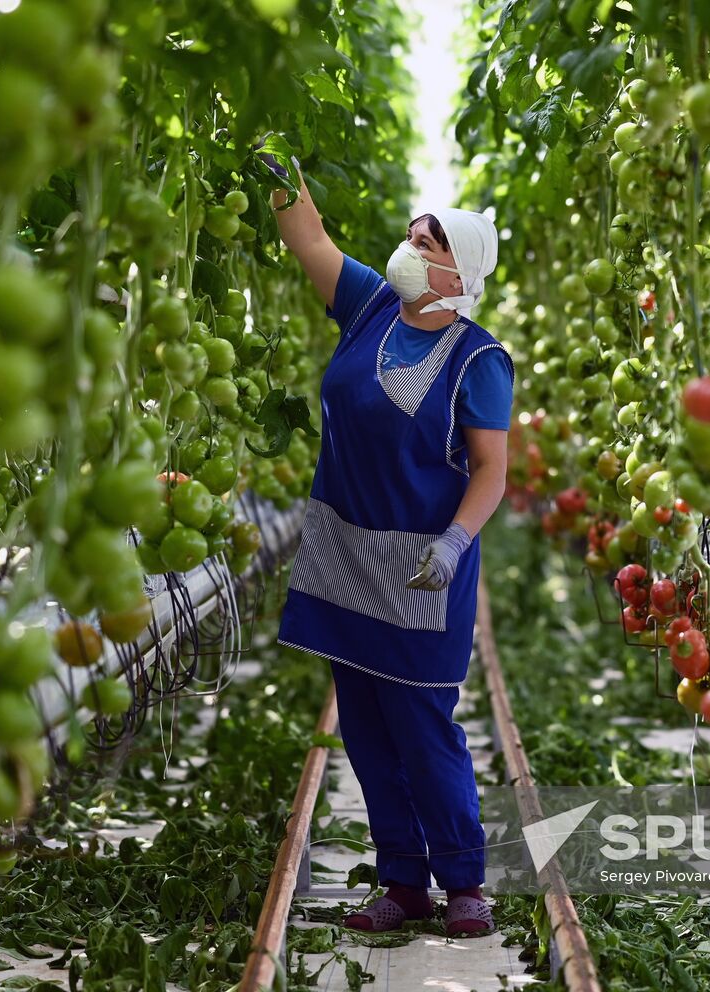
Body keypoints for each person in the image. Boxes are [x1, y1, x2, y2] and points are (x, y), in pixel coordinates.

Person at [258, 146, 514, 938]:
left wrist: (453, 543)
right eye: (411, 236)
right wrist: (276, 170)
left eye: (428, 244)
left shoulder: (479, 358)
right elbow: (310, 240)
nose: (409, 249)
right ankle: (402, 882)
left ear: (459, 273)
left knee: (424, 726)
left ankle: (464, 880)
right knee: (366, 729)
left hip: (419, 569)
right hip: (344, 555)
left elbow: (491, 470)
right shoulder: (370, 303)